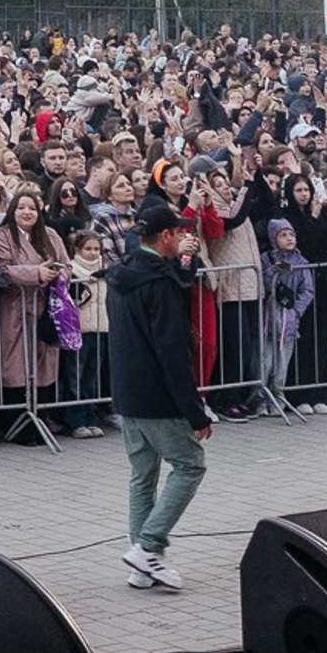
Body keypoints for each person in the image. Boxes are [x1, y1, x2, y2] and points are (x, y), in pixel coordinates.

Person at [109, 206, 212, 593]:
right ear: (166, 236)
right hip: (158, 395)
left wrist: (186, 261)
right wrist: (194, 410)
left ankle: (142, 564)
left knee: (142, 476)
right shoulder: (158, 284)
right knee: (189, 465)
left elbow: (175, 279)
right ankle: (148, 547)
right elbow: (173, 351)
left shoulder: (123, 274)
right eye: (177, 232)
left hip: (128, 392)